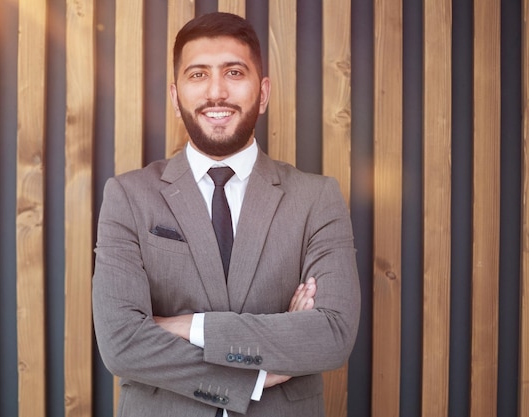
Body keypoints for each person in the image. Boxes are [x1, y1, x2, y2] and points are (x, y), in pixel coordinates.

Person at [92, 12, 360, 417]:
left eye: (234, 72)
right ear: (175, 94)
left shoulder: (317, 198)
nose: (216, 92)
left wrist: (187, 326)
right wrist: (254, 375)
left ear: (263, 92)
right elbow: (122, 345)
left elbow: (331, 335)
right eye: (198, 75)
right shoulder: (128, 196)